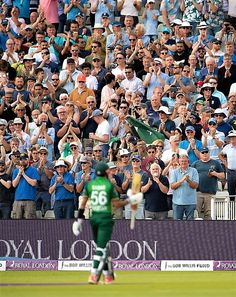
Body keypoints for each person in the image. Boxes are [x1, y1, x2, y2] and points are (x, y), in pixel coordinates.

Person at [72, 162, 143, 284]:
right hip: (105, 219)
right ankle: (94, 274)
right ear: (106, 172)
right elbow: (117, 204)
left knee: (104, 247)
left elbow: (83, 203)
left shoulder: (91, 185)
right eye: (108, 170)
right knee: (101, 247)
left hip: (94, 218)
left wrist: (79, 220)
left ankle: (108, 275)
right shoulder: (109, 186)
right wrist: (130, 200)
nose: (110, 172)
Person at [192, 147, 224, 220]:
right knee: (196, 214)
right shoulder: (195, 164)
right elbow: (190, 176)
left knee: (209, 215)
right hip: (197, 192)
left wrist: (215, 174)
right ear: (199, 154)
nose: (205, 154)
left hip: (210, 193)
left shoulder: (216, 163)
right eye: (202, 152)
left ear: (209, 153)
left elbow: (223, 176)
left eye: (206, 152)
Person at [170, 154, 199, 220]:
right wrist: (182, 180)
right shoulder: (174, 172)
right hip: (177, 203)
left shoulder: (194, 171)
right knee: (177, 224)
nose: (183, 163)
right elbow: (172, 186)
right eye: (182, 161)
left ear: (188, 161)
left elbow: (195, 186)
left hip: (190, 202)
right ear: (179, 162)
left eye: (185, 161)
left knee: (190, 225)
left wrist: (188, 180)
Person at [12, 152, 40, 219]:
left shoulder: (33, 170)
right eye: (21, 159)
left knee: (30, 222)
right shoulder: (16, 171)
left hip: (29, 200)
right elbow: (14, 184)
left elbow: (33, 183)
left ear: (28, 160)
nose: (23, 161)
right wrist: (19, 174)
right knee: (16, 223)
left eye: (25, 159)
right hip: (18, 200)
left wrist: (24, 174)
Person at [219, 130, 236, 201]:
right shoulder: (227, 147)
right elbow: (220, 155)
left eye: (233, 137)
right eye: (230, 137)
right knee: (231, 191)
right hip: (230, 172)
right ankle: (232, 209)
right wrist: (224, 162)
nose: (231, 138)